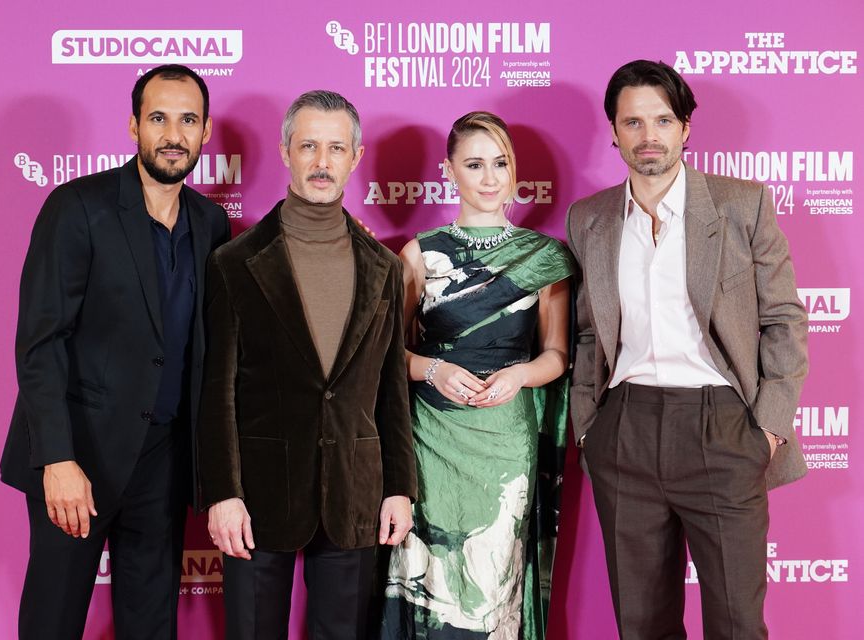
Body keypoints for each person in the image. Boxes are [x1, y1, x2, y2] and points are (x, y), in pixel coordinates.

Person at [566, 59, 808, 639]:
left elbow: (783, 319)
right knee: (643, 624)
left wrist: (767, 429)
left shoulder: (740, 205)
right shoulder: (589, 218)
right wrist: (587, 429)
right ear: (615, 130)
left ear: (685, 128)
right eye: (633, 123)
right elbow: (586, 333)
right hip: (624, 427)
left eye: (662, 120)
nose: (649, 136)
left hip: (723, 427)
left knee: (736, 623)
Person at [0, 64, 231, 639]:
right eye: (158, 118)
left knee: (151, 624)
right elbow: (40, 342)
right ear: (133, 127)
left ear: (205, 133)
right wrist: (57, 459)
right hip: (81, 455)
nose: (173, 134)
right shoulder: (79, 207)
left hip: (166, 461)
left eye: (187, 120)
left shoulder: (210, 224)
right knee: (53, 620)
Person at [196, 89, 417, 639]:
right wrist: (223, 493)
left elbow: (391, 389)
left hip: (355, 492)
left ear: (355, 157)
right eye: (309, 146)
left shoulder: (384, 268)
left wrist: (399, 487)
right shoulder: (234, 262)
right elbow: (215, 391)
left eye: (336, 148)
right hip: (257, 496)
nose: (322, 162)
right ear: (286, 152)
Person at [381, 111, 574, 639]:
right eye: (474, 164)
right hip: (432, 438)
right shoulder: (419, 255)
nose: (490, 178)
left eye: (500, 163)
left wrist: (521, 376)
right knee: (433, 576)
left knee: (494, 579)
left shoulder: (545, 257)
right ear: (449, 172)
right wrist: (433, 368)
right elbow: (386, 355)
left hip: (506, 437)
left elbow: (556, 354)